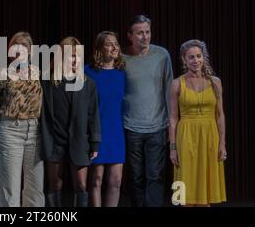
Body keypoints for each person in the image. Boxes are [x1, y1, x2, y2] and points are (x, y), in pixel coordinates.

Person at [41, 37, 101, 207]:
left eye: (78, 56)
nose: (75, 60)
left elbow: (93, 115)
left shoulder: (88, 84)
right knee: (54, 184)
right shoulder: (48, 81)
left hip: (79, 140)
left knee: (81, 185)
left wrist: (95, 142)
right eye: (71, 56)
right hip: (54, 140)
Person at [122, 15, 173, 207]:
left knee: (154, 176)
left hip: (158, 127)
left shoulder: (162, 55)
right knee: (135, 177)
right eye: (140, 33)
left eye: (147, 32)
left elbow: (169, 90)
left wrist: (171, 124)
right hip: (131, 126)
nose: (145, 36)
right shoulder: (123, 57)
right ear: (130, 35)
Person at [169, 40, 227, 206]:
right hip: (186, 135)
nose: (196, 60)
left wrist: (222, 144)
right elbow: (173, 118)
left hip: (210, 135)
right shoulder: (176, 84)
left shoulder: (215, 82)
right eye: (191, 57)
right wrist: (173, 148)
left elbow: (220, 114)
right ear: (184, 60)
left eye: (198, 56)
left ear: (204, 57)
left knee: (206, 188)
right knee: (185, 188)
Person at [0, 32, 44, 207]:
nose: (20, 49)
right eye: (16, 45)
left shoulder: (39, 73)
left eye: (25, 45)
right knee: (10, 187)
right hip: (10, 130)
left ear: (30, 51)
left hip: (35, 131)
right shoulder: (2, 74)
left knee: (35, 186)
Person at [85, 31, 126, 207]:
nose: (114, 47)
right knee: (96, 180)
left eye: (116, 43)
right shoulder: (87, 71)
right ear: (99, 48)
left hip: (116, 131)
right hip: (96, 131)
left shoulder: (122, 73)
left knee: (116, 181)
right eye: (109, 44)